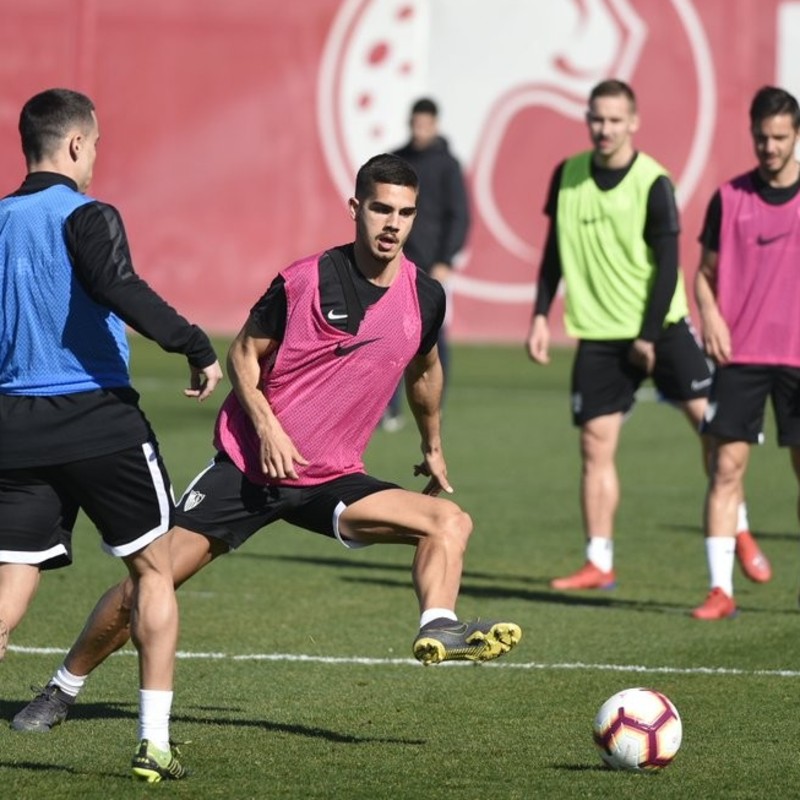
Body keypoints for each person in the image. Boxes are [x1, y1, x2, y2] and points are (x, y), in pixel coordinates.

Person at [11, 153, 521, 736]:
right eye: (381, 209)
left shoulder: (425, 296)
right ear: (355, 208)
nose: (392, 224)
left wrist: (433, 442)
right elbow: (241, 355)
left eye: (405, 213)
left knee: (449, 522)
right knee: (146, 585)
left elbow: (425, 370)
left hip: (331, 477)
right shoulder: (304, 280)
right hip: (249, 470)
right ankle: (62, 688)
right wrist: (269, 427)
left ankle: (438, 625)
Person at [0, 88, 223, 780]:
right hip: (98, 418)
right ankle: (154, 741)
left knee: (11, 578)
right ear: (74, 144)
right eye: (94, 143)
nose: (96, 155)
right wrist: (193, 344)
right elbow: (119, 286)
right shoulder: (88, 214)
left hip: (14, 429)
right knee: (153, 571)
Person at [525, 79, 766, 590]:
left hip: (664, 327)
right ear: (587, 119)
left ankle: (738, 526)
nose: (605, 128)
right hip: (598, 333)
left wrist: (649, 336)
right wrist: (541, 314)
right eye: (597, 118)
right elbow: (554, 252)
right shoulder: (566, 175)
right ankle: (599, 560)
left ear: (633, 122)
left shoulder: (653, 182)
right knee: (594, 445)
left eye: (615, 120)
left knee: (715, 432)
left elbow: (669, 265)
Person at [691, 86, 800, 620]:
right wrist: (710, 314)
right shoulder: (729, 197)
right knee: (725, 470)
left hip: (798, 356)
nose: (770, 147)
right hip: (742, 356)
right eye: (762, 137)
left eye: (779, 137)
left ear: (796, 135)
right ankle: (720, 590)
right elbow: (704, 274)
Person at [383, 98, 470, 431]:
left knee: (433, 337)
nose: (419, 131)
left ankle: (434, 405)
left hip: (434, 266)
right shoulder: (397, 161)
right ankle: (387, 408)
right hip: (397, 261)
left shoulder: (448, 166)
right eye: (415, 124)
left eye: (425, 125)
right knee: (389, 333)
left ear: (435, 125)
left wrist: (446, 259)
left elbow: (459, 215)